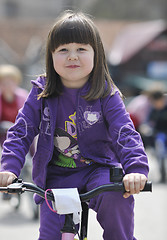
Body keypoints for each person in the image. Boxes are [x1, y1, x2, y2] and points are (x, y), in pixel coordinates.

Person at [0, 11, 149, 240]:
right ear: (51, 56)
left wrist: (136, 170)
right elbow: (21, 131)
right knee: (50, 235)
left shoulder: (106, 94)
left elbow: (124, 133)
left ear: (95, 54)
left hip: (98, 170)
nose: (72, 56)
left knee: (117, 198)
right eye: (63, 50)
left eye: (81, 49)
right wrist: (9, 168)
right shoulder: (41, 92)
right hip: (57, 176)